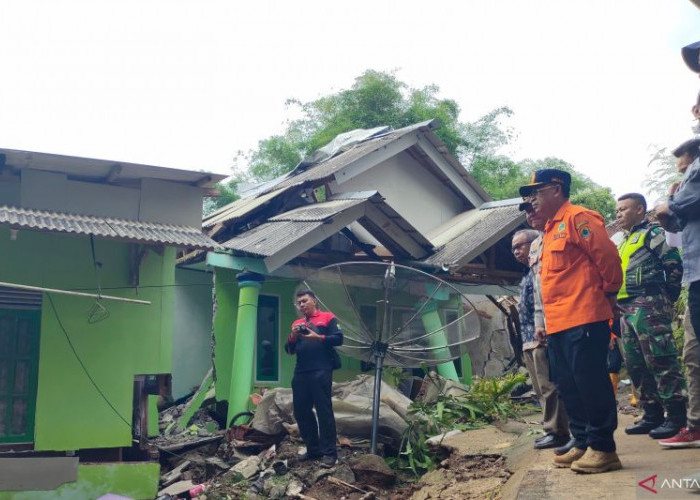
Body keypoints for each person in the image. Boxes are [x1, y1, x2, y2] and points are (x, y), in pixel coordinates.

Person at [520, 168, 623, 473]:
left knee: (591, 383)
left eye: (535, 193)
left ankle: (604, 448)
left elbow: (608, 258)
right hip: (558, 324)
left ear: (556, 188)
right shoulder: (549, 230)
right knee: (568, 385)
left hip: (585, 317)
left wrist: (611, 295)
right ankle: (581, 441)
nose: (531, 200)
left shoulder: (579, 218)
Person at [614, 193, 686, 439]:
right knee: (636, 364)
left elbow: (673, 263)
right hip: (626, 308)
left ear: (639, 210)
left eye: (624, 209)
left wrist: (668, 297)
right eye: (617, 210)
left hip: (649, 303)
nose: (618, 214)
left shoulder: (651, 234)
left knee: (660, 359)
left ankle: (677, 417)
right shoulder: (624, 241)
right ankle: (652, 415)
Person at [655, 138, 700, 448]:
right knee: (693, 356)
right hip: (695, 277)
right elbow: (676, 240)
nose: (681, 177)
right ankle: (694, 425)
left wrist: (670, 203)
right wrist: (668, 213)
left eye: (684, 170)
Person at [514, 204, 570, 451]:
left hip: (542, 335)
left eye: (520, 246)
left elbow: (544, 301)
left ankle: (558, 431)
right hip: (528, 338)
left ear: (534, 244)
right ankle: (551, 428)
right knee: (539, 388)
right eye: (514, 248)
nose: (517, 251)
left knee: (549, 387)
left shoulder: (542, 269)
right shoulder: (527, 274)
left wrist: (544, 328)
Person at [285, 289, 343, 467]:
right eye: (299, 303)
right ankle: (313, 449)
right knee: (301, 411)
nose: (301, 305)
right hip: (301, 371)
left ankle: (329, 453)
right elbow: (289, 350)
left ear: (314, 301)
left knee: (324, 411)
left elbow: (339, 339)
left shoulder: (327, 317)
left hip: (321, 369)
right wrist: (294, 336)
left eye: (304, 301)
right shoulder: (297, 323)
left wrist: (319, 337)